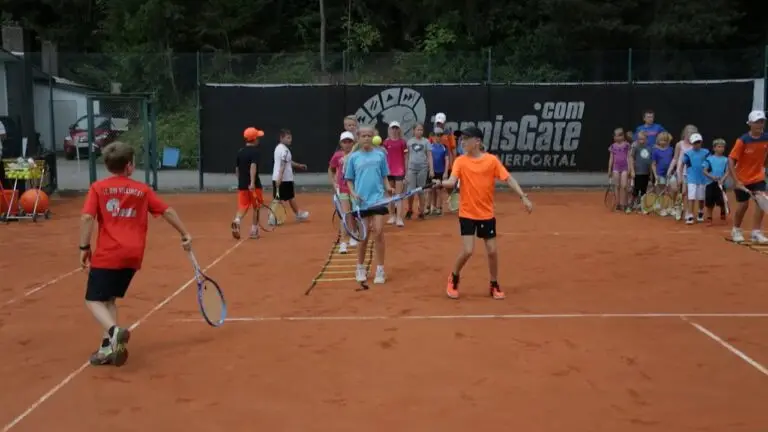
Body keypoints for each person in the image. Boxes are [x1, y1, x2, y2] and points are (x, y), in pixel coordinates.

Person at [79, 141, 192, 366]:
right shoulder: (142, 190)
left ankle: (114, 331)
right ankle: (107, 349)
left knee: (92, 300)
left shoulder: (98, 188)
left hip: (109, 254)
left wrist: (84, 247)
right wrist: (184, 233)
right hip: (133, 255)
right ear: (129, 166)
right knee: (108, 299)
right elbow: (167, 210)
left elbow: (86, 217)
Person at [436, 126, 533, 300]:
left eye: (466, 138)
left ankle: (494, 284)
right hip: (467, 213)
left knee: (492, 251)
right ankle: (454, 277)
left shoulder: (491, 161)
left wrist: (523, 197)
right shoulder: (460, 161)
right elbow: (452, 181)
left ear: (477, 141)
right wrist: (441, 183)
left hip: (486, 213)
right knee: (467, 250)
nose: (462, 142)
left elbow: (508, 178)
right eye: (461, 139)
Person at [345, 126, 394, 284]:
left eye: (369, 135)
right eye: (363, 136)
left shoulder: (380, 155)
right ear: (358, 138)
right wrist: (353, 193)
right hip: (361, 202)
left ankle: (380, 269)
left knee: (379, 232)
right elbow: (349, 180)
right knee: (363, 237)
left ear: (373, 137)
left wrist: (388, 187)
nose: (366, 138)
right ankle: (360, 267)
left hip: (378, 199)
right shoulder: (353, 158)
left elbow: (384, 176)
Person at [728, 110, 768, 243]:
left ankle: (756, 232)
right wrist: (736, 180)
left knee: (761, 202)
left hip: (758, 177)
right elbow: (731, 159)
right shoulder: (743, 140)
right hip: (742, 178)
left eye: (762, 121)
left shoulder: (766, 138)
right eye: (756, 122)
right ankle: (736, 229)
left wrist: (763, 170)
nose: (760, 124)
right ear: (750, 123)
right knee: (743, 205)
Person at [232, 127, 265, 239]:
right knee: (256, 207)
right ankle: (254, 230)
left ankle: (237, 220)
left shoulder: (240, 152)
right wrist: (252, 183)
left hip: (242, 185)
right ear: (254, 139)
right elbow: (253, 166)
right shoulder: (256, 152)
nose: (259, 140)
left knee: (243, 206)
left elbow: (237, 169)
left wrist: (241, 181)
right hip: (254, 185)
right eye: (258, 137)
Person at [329, 131, 358, 253]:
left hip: (355, 189)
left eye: (349, 141)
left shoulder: (357, 155)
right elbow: (331, 170)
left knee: (354, 214)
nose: (347, 144)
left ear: (353, 143)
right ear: (341, 143)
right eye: (344, 142)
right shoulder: (337, 156)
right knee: (346, 215)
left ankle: (354, 234)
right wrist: (333, 183)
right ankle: (343, 243)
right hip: (342, 188)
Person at [272, 129, 310, 222]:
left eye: (290, 138)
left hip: (279, 178)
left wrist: (299, 165)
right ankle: (273, 218)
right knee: (281, 199)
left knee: (287, 198)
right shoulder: (284, 150)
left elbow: (288, 162)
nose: (290, 140)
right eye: (288, 138)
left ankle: (297, 214)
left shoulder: (278, 148)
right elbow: (283, 165)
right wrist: (280, 177)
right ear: (281, 138)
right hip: (284, 179)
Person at [404, 123, 433, 220]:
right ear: (413, 130)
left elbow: (429, 156)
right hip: (411, 169)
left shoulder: (426, 142)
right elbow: (407, 157)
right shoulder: (409, 142)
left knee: (421, 191)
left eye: (421, 130)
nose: (419, 131)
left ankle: (421, 211)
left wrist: (431, 169)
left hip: (423, 169)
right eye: (417, 130)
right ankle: (410, 209)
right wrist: (406, 171)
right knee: (410, 191)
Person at [670, 125, 698, 220]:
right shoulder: (679, 144)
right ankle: (675, 207)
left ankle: (686, 210)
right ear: (684, 134)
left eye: (693, 133)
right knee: (675, 189)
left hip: (689, 173)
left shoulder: (695, 146)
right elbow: (675, 158)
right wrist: (670, 170)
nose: (690, 135)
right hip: (679, 171)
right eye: (688, 133)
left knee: (685, 192)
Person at [382, 121, 407, 226]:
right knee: (390, 195)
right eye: (393, 128)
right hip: (389, 171)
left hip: (400, 171)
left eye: (396, 128)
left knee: (398, 195)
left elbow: (406, 158)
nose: (395, 130)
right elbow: (383, 158)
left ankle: (399, 218)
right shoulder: (386, 143)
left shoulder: (403, 142)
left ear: (399, 130)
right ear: (389, 129)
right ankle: (392, 216)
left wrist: (406, 171)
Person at [681, 133, 709, 224]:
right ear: (691, 143)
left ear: (701, 142)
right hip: (691, 178)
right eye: (695, 143)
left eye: (698, 142)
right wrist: (682, 177)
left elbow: (709, 164)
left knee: (701, 198)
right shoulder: (687, 154)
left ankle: (700, 212)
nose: (697, 144)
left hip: (703, 179)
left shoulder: (706, 152)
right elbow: (682, 165)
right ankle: (690, 215)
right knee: (691, 197)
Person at [703, 138, 730, 223]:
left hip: (721, 184)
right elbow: (704, 171)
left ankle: (722, 212)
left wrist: (722, 179)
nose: (721, 148)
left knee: (722, 200)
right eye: (719, 147)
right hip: (710, 183)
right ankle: (709, 217)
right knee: (709, 201)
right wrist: (712, 177)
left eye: (722, 147)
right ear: (714, 148)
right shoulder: (709, 159)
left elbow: (728, 171)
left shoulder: (726, 160)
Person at [650, 132, 676, 216]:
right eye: (661, 140)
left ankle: (671, 208)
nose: (663, 142)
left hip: (670, 174)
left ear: (668, 141)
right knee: (661, 192)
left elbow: (674, 161)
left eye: (665, 140)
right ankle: (661, 208)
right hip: (660, 174)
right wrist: (655, 175)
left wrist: (674, 171)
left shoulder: (671, 149)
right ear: (658, 141)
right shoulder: (655, 151)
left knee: (672, 191)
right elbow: (653, 164)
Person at [426, 127, 450, 215]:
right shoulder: (430, 147)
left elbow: (447, 160)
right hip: (432, 172)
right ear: (433, 136)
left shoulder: (444, 148)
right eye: (436, 135)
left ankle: (439, 208)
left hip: (441, 172)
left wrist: (446, 172)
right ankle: (429, 207)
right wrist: (430, 170)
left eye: (440, 135)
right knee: (430, 190)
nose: (438, 137)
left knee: (439, 191)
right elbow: (428, 159)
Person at [607, 128, 630, 212]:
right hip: (616, 168)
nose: (618, 137)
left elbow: (628, 157)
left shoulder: (627, 145)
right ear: (614, 137)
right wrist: (609, 169)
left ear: (623, 136)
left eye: (621, 135)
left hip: (625, 168)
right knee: (617, 186)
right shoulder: (613, 146)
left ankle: (623, 203)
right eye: (617, 136)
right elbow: (611, 158)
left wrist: (630, 168)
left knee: (624, 186)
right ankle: (618, 204)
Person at [628, 131, 652, 209]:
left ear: (646, 139)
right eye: (639, 139)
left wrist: (651, 173)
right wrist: (632, 170)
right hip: (637, 173)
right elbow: (631, 158)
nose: (641, 141)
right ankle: (630, 205)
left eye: (643, 139)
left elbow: (651, 161)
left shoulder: (649, 148)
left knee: (644, 190)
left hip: (646, 173)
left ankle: (642, 206)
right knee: (635, 190)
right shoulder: (635, 147)